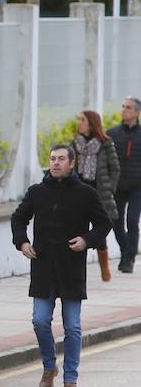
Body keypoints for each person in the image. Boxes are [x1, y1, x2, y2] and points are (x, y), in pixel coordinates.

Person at [11, 145, 111, 387]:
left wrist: (86, 240)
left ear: (72, 163)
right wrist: (22, 242)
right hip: (43, 266)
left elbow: (103, 223)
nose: (56, 163)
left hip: (71, 268)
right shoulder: (37, 192)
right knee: (40, 320)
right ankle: (48, 366)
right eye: (52, 159)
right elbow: (18, 218)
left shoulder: (86, 193)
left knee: (73, 327)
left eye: (61, 159)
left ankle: (71, 379)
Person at [71, 110, 120, 281]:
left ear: (91, 123)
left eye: (82, 119)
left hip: (98, 194)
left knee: (100, 230)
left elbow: (115, 169)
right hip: (79, 192)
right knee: (76, 229)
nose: (79, 122)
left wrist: (109, 189)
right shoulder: (75, 143)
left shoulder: (105, 143)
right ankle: (76, 270)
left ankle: (104, 269)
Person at [106, 97, 141, 273]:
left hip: (137, 187)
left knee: (133, 220)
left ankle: (129, 259)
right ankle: (125, 252)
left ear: (137, 112)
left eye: (128, 108)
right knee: (116, 221)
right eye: (123, 107)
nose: (124, 110)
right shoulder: (112, 134)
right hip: (117, 186)